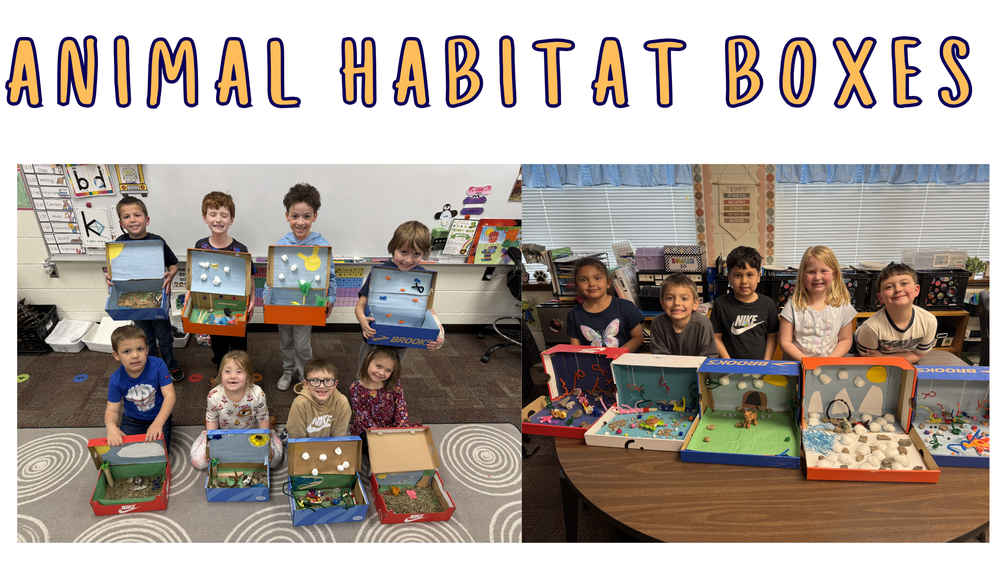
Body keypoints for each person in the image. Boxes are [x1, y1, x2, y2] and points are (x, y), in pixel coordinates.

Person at [260, 183, 338, 391]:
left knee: (302, 345)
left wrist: (330, 299)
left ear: (315, 216)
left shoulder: (322, 245)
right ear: (287, 216)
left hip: (308, 305)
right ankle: (288, 370)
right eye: (295, 216)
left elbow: (330, 277)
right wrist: (266, 296)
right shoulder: (281, 244)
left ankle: (305, 375)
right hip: (282, 303)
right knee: (285, 341)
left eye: (306, 216)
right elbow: (272, 276)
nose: (300, 222)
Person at [107, 195, 184, 381]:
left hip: (158, 297)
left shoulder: (157, 241)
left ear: (147, 219)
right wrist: (109, 277)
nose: (132, 220)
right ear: (121, 223)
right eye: (126, 217)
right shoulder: (119, 243)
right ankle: (153, 366)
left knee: (164, 336)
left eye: (137, 215)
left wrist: (171, 274)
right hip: (133, 298)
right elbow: (112, 270)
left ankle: (171, 365)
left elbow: (173, 264)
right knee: (144, 338)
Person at [354, 220, 444, 372]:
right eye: (403, 252)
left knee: (391, 373)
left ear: (424, 253)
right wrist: (362, 320)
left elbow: (427, 309)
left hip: (401, 340)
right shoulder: (379, 272)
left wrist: (439, 335)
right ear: (393, 248)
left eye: (416, 254)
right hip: (374, 338)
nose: (408, 260)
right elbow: (361, 304)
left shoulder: (423, 276)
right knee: (364, 371)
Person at [194, 191, 256, 371]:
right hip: (212, 305)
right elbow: (196, 276)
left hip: (237, 304)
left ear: (231, 219)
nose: (218, 219)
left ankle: (240, 371)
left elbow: (250, 278)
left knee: (238, 344)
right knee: (218, 343)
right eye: (213, 214)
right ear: (205, 217)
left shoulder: (240, 249)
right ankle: (222, 370)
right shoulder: (200, 246)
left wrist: (252, 300)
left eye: (224, 215)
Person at [189, 350, 283, 469]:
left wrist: (266, 444)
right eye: (227, 371)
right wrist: (210, 444)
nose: (233, 376)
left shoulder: (257, 393)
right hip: (223, 434)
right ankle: (205, 432)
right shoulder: (214, 395)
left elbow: (262, 418)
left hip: (252, 434)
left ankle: (271, 430)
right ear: (221, 375)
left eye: (239, 372)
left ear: (248, 377)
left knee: (273, 460)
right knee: (198, 461)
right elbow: (212, 419)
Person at [778, 246, 857, 360]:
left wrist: (828, 361)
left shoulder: (842, 306)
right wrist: (807, 362)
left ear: (834, 274)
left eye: (823, 271)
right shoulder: (792, 306)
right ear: (803, 275)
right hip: (798, 365)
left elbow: (845, 340)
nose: (817, 277)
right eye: (811, 272)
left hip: (828, 366)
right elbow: (785, 342)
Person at [104, 325, 176, 450]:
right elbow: (112, 410)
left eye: (140, 349)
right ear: (116, 355)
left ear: (147, 349)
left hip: (159, 416)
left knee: (159, 452)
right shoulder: (115, 379)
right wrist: (111, 428)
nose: (135, 355)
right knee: (124, 451)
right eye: (127, 351)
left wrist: (158, 423)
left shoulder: (158, 365)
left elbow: (169, 396)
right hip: (132, 421)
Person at [854, 261, 936, 363]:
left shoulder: (929, 321)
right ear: (880, 298)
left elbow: (918, 354)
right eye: (889, 287)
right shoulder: (871, 327)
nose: (898, 289)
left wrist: (883, 358)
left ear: (916, 290)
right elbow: (868, 358)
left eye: (904, 283)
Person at [711, 246, 779, 360]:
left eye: (750, 275)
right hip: (730, 365)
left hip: (760, 366)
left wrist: (766, 362)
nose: (744, 281)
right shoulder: (720, 304)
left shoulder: (768, 304)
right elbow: (716, 337)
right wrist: (728, 362)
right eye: (738, 275)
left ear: (759, 277)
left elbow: (772, 336)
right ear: (729, 277)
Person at [567, 257, 644, 352]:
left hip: (623, 359)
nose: (591, 283)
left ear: (608, 282)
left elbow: (638, 338)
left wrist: (616, 355)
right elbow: (575, 348)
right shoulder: (574, 314)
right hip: (591, 361)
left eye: (597, 278)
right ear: (577, 285)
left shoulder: (626, 306)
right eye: (583, 280)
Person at [349, 347, 413, 456]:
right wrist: (381, 436)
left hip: (391, 429)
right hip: (368, 432)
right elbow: (362, 417)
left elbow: (401, 409)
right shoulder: (356, 388)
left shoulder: (395, 384)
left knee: (412, 445)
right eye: (378, 366)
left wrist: (399, 430)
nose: (381, 373)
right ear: (367, 361)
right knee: (376, 453)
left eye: (388, 370)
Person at [649, 273, 718, 357]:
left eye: (684, 298)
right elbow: (659, 357)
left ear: (695, 304)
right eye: (670, 298)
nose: (677, 303)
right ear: (662, 303)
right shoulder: (657, 323)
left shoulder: (703, 324)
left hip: (698, 366)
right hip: (668, 365)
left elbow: (709, 356)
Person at [286, 359, 352, 439]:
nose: (322, 386)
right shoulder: (300, 403)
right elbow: (298, 437)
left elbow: (339, 435)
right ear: (306, 384)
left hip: (331, 443)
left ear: (335, 384)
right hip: (305, 443)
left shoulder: (342, 402)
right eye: (315, 380)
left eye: (328, 380)